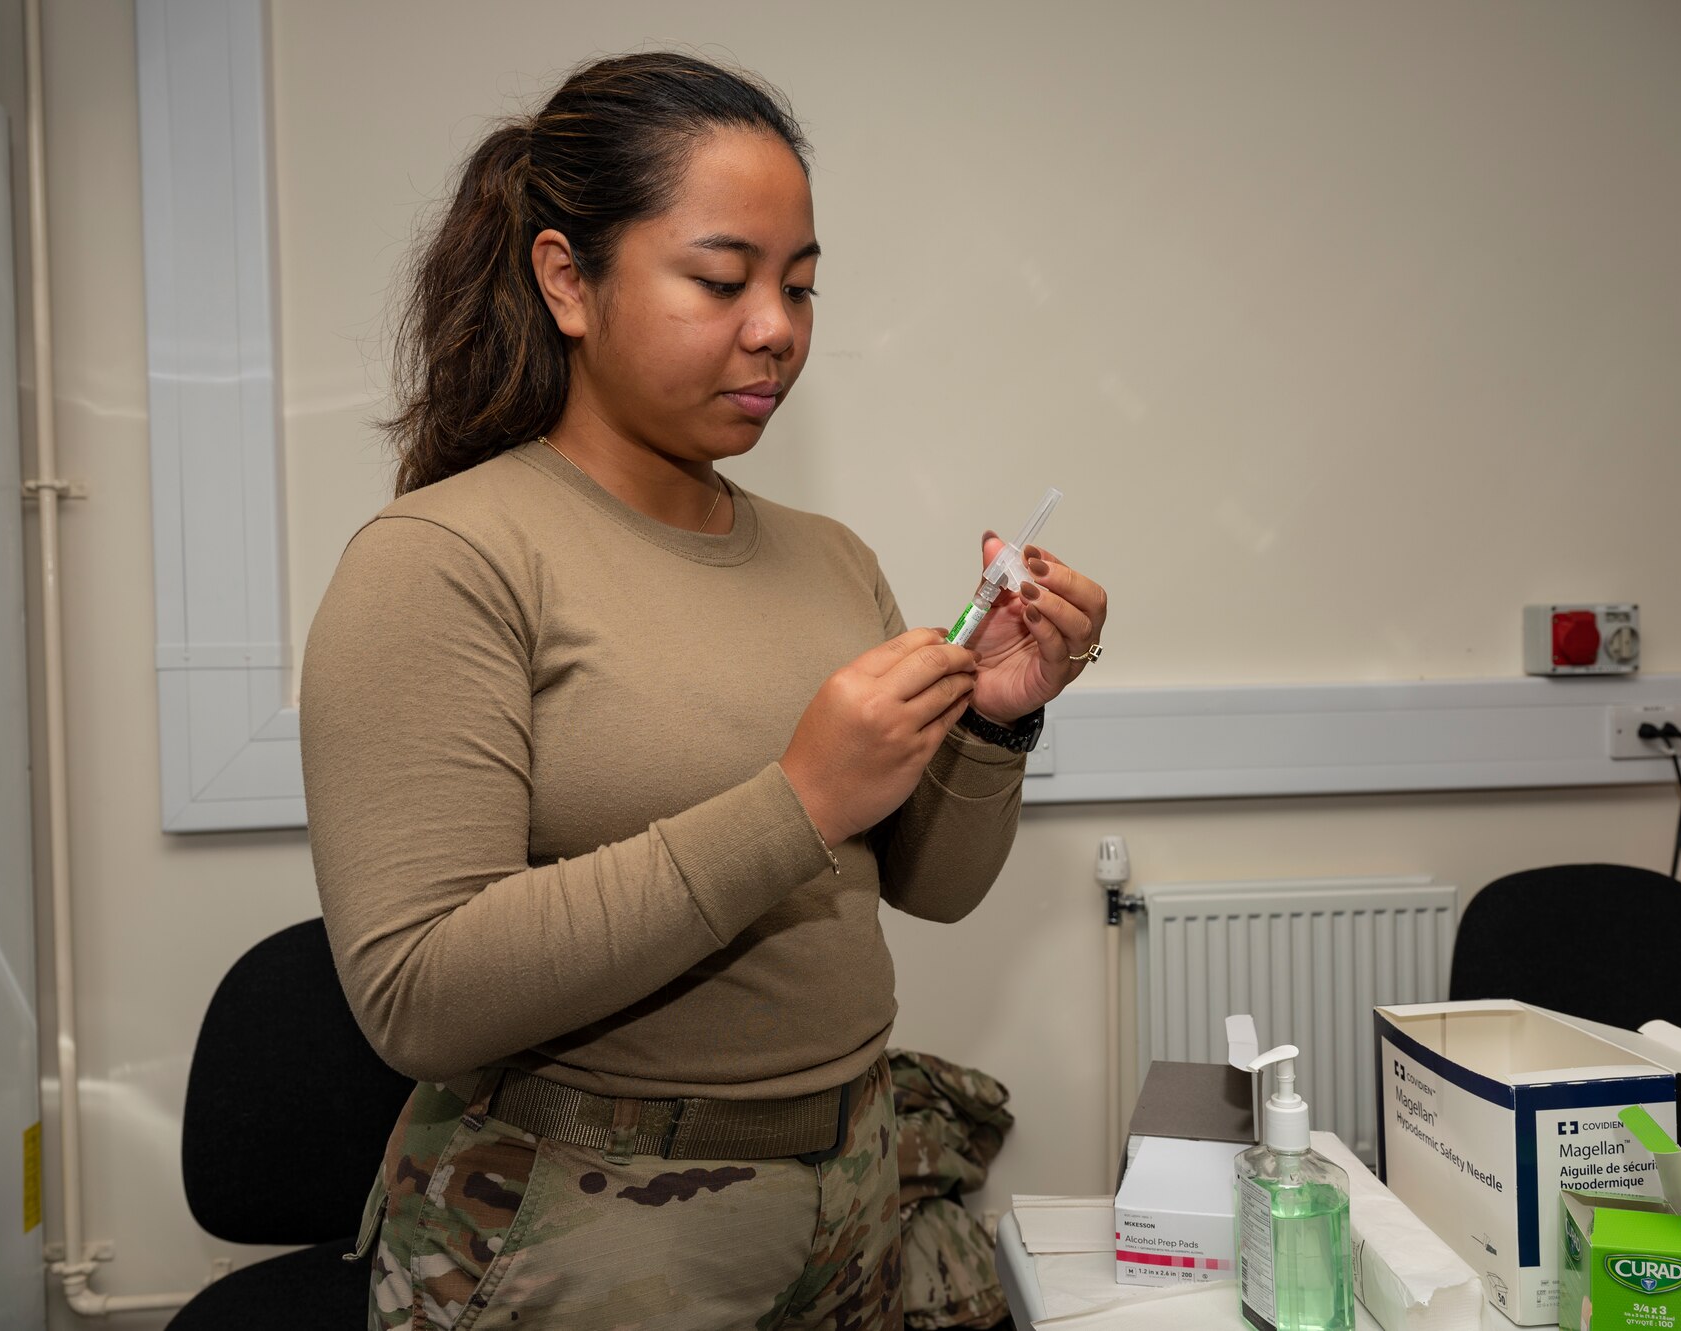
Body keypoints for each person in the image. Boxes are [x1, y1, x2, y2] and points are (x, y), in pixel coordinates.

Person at [300, 51, 1108, 1331]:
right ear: (567, 279)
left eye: (798, 286)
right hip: (585, 1224)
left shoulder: (828, 554)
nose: (776, 326)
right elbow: (419, 991)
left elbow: (931, 887)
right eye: (721, 280)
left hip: (849, 1185)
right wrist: (795, 799)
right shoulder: (444, 561)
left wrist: (997, 720)